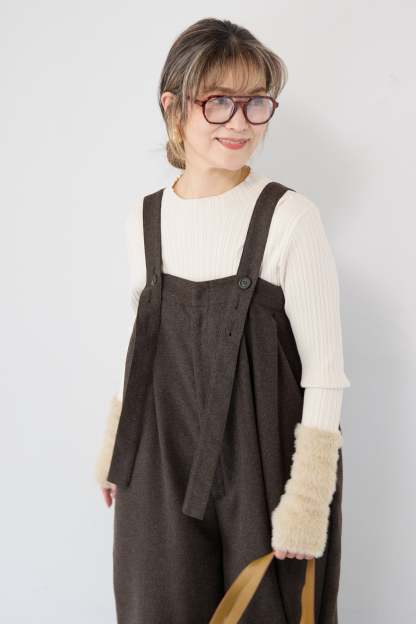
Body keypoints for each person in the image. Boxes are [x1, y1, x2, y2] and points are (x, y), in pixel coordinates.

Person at [94, 17, 351, 623]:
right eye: (218, 102)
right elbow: (139, 342)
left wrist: (306, 501)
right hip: (157, 460)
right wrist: (115, 447)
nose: (239, 123)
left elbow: (325, 373)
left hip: (260, 466)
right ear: (173, 106)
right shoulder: (143, 218)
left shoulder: (289, 217)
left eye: (255, 102)